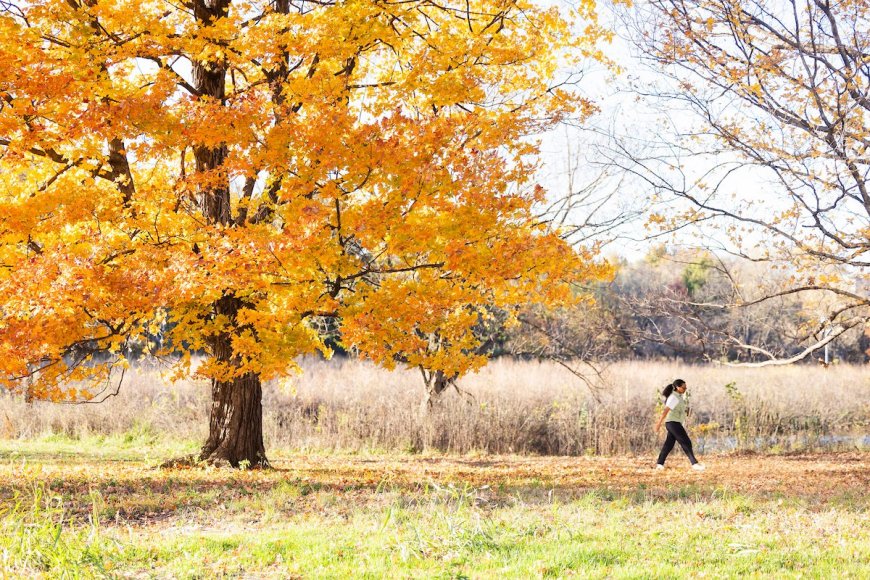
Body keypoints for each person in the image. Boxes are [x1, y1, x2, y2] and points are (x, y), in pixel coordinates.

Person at [655, 379, 705, 471]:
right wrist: (658, 423)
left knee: (669, 444)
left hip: (675, 422)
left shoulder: (679, 397)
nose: (685, 389)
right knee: (686, 442)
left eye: (686, 388)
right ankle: (694, 464)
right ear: (677, 387)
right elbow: (666, 410)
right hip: (672, 423)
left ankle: (659, 464)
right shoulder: (673, 397)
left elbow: (678, 409)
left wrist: (686, 411)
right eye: (683, 388)